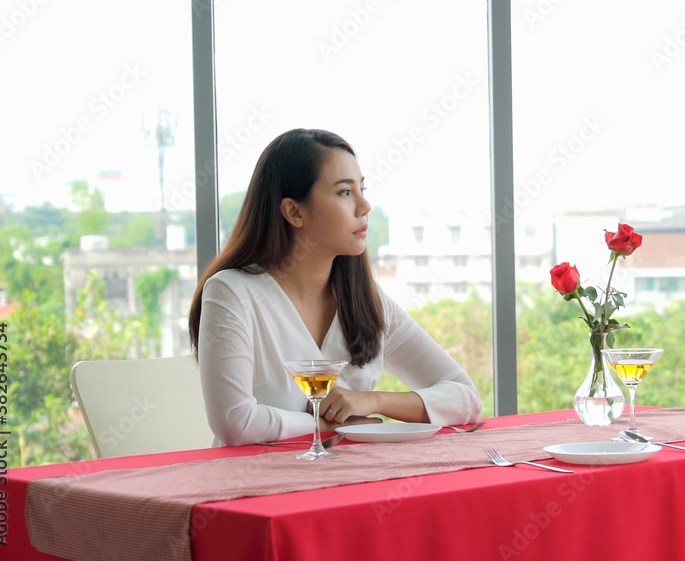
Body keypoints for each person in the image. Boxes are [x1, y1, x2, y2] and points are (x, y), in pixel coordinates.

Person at [188, 128, 482, 446]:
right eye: (344, 192)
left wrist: (371, 402)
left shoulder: (366, 299)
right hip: (253, 488)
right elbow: (235, 423)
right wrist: (335, 426)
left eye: (362, 189)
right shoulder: (232, 293)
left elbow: (465, 399)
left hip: (353, 484)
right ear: (294, 211)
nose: (364, 205)